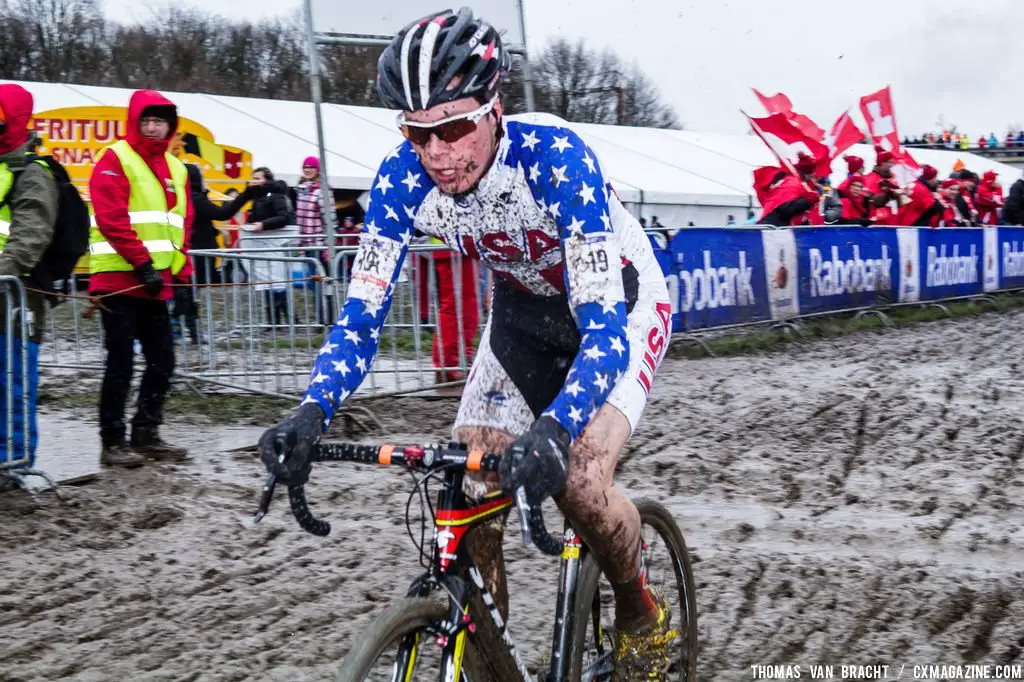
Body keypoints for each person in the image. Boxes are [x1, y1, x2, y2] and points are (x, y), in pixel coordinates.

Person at [258, 7, 676, 678]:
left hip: (617, 309)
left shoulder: (554, 159)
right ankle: (484, 653)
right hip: (520, 316)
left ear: (494, 107)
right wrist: (312, 409)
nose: (438, 153)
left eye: (453, 127)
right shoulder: (402, 180)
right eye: (418, 134)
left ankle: (641, 612)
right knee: (469, 484)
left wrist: (555, 428)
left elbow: (603, 330)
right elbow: (362, 316)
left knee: (576, 479)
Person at [88, 89, 194, 468]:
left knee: (163, 360)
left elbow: (181, 224)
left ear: (170, 126)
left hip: (155, 281)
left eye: (159, 121)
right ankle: (112, 441)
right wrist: (143, 264)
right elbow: (110, 216)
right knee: (120, 362)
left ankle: (146, 433)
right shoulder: (115, 157)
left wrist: (181, 274)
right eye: (146, 120)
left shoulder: (177, 168)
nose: (152, 127)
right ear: (135, 122)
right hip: (119, 279)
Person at [0, 84, 59, 477]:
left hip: (17, 299)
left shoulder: (33, 173)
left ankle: (14, 463)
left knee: (14, 385)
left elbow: (31, 234)